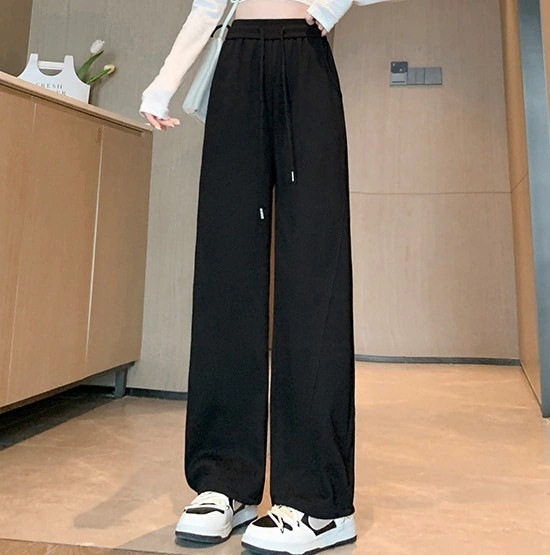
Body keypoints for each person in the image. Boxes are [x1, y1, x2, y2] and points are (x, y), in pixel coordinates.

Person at [139, 0, 394, 553]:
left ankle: (320, 502)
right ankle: (223, 480)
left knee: (314, 270)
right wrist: (163, 83)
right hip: (236, 59)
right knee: (225, 269)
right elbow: (209, 5)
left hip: (305, 56)